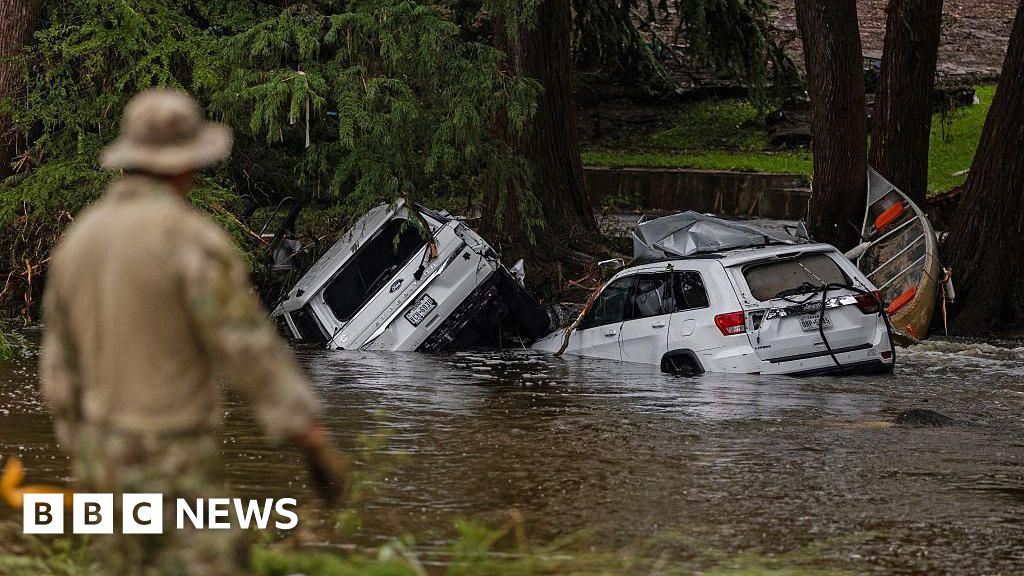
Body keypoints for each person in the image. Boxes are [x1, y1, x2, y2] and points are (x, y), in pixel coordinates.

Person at [39, 88, 349, 575]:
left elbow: (57, 372)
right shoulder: (189, 240)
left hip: (101, 457)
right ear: (186, 165)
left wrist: (84, 450)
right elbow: (246, 348)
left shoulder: (80, 241)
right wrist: (307, 433)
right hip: (173, 457)